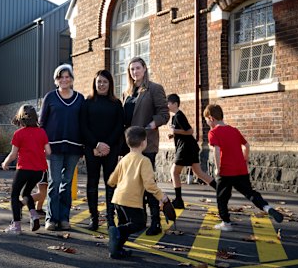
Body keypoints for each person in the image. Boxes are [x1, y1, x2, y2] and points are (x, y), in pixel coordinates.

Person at [203, 104, 284, 231]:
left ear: (211, 118)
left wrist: (217, 168)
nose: (207, 123)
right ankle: (267, 208)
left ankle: (226, 223)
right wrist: (245, 160)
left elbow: (217, 151)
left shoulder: (213, 132)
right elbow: (246, 145)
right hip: (241, 170)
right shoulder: (234, 130)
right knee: (250, 193)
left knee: (222, 198)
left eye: (206, 120)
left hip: (225, 171)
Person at [121, 56, 169, 235]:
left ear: (144, 69)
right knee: (134, 184)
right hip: (129, 147)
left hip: (146, 144)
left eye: (137, 68)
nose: (135, 72)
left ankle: (155, 222)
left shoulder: (154, 89)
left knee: (148, 183)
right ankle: (138, 221)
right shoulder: (127, 92)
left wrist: (150, 126)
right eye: (132, 69)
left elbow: (164, 113)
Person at [107, 126, 169, 259]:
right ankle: (116, 232)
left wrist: (112, 184)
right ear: (144, 142)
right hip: (132, 200)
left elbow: (113, 179)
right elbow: (149, 184)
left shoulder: (124, 159)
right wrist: (161, 196)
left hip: (118, 198)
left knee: (125, 226)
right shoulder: (144, 161)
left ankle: (117, 250)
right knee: (139, 223)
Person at [39, 64, 84, 231]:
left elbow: (83, 124)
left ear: (72, 79)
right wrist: (44, 146)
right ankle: (51, 218)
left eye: (67, 76)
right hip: (53, 148)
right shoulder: (50, 97)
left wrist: (84, 148)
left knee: (67, 183)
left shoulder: (80, 98)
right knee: (55, 182)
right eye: (61, 77)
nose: (64, 80)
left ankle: (64, 218)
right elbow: (42, 124)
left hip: (74, 147)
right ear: (56, 80)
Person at [80, 70, 124, 230]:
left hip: (110, 150)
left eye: (105, 82)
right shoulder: (87, 103)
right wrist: (95, 145)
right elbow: (83, 126)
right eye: (99, 81)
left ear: (110, 84)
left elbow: (119, 126)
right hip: (92, 149)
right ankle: (94, 219)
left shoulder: (116, 103)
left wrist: (107, 145)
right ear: (94, 83)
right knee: (92, 183)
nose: (101, 84)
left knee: (110, 183)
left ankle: (110, 218)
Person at [1, 105, 52, 235]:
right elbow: (48, 151)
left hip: (24, 169)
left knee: (14, 194)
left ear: (20, 117)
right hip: (39, 170)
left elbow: (13, 154)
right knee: (26, 193)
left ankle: (16, 225)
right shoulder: (42, 132)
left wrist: (5, 162)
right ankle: (33, 214)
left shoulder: (19, 133)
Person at [167, 93, 217, 209]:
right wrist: (173, 135)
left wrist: (176, 132)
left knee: (174, 172)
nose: (167, 105)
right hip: (189, 147)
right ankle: (221, 190)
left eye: (168, 103)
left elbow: (190, 131)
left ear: (175, 104)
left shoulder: (179, 115)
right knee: (199, 173)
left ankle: (178, 200)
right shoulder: (175, 117)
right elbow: (181, 131)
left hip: (185, 148)